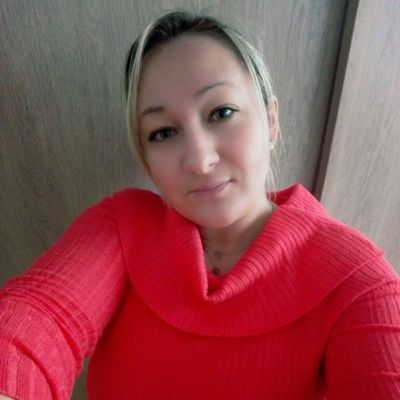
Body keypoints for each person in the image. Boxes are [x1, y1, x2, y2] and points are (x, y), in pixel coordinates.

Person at [1, 9, 399, 400]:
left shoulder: (354, 278)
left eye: (221, 112)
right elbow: (36, 321)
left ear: (271, 121)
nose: (199, 160)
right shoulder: (121, 228)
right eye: (163, 132)